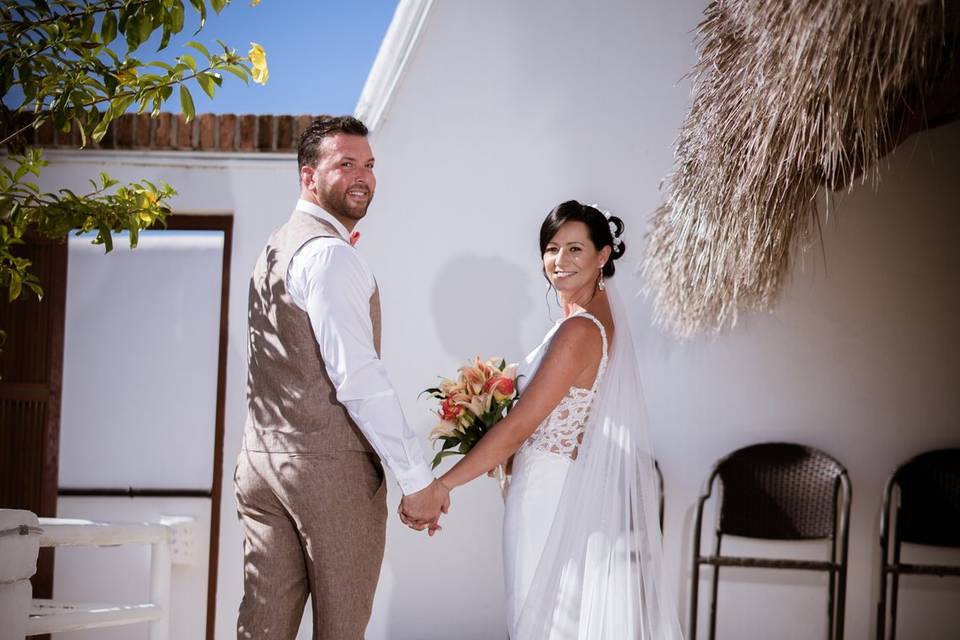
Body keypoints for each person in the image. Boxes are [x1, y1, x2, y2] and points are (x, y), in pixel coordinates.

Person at [235, 115, 450, 640]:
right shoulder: (329, 255)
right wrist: (417, 478)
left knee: (262, 628)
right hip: (327, 473)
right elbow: (358, 378)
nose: (364, 176)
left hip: (261, 465)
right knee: (342, 629)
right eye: (346, 164)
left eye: (370, 165)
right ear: (309, 177)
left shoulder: (274, 248)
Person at [433, 201, 683, 638]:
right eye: (552, 248)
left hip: (547, 494)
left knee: (540, 621)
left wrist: (442, 485)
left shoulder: (579, 331)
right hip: (562, 485)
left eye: (575, 249)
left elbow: (519, 427)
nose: (559, 262)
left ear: (603, 255)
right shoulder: (595, 321)